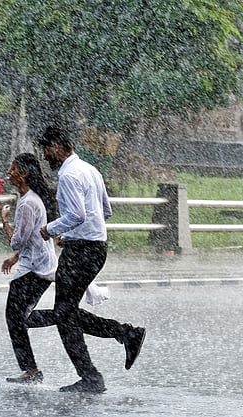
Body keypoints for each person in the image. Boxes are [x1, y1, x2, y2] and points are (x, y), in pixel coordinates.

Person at [37, 125, 146, 393]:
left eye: (46, 152)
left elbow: (77, 215)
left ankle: (95, 372)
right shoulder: (90, 169)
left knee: (64, 314)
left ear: (57, 148)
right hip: (95, 248)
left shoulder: (69, 176)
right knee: (67, 312)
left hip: (81, 252)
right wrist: (71, 234)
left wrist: (50, 230)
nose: (45, 157)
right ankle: (122, 337)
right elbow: (104, 211)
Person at [0, 153, 58, 384]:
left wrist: (3, 220)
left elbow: (18, 240)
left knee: (15, 317)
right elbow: (33, 238)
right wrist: (15, 259)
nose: (9, 172)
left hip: (34, 270)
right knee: (18, 317)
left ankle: (31, 370)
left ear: (23, 174)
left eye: (13, 168)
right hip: (36, 265)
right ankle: (31, 369)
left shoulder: (27, 203)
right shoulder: (32, 199)